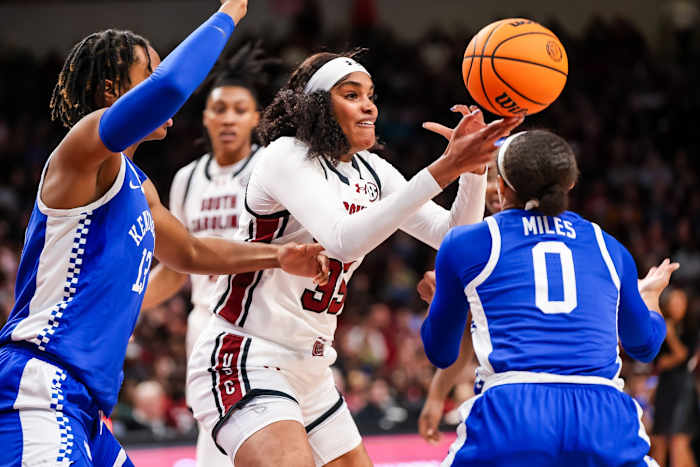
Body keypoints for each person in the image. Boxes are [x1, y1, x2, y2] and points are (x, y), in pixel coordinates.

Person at [0, 2, 330, 465]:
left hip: (87, 409)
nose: (161, 78)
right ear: (114, 90)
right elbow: (172, 86)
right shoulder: (84, 147)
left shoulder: (139, 186)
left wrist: (277, 257)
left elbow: (191, 252)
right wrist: (229, 14)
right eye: (148, 70)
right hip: (40, 386)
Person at [186, 50, 523, 467]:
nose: (368, 105)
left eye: (371, 95)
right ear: (319, 106)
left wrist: (473, 168)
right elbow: (343, 240)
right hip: (248, 355)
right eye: (352, 94)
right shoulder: (284, 155)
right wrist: (444, 167)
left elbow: (453, 236)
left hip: (312, 372)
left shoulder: (373, 172)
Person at [421, 129, 678, 466]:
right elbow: (645, 346)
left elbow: (440, 352)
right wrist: (650, 299)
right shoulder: (611, 248)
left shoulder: (465, 244)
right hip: (603, 415)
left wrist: (439, 303)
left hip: (514, 412)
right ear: (570, 185)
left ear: (502, 186)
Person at [141, 41, 278, 467]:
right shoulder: (185, 179)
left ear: (256, 118)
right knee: (214, 436)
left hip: (262, 319)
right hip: (205, 321)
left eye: (240, 109)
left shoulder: (270, 168)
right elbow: (175, 266)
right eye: (220, 109)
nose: (229, 118)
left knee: (269, 430)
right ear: (205, 117)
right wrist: (128, 306)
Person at [416, 158, 501, 444]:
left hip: (511, 400)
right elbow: (466, 331)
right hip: (588, 398)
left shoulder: (475, 247)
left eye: (501, 177)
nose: (495, 188)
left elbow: (441, 349)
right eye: (488, 177)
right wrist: (437, 395)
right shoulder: (591, 239)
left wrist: (440, 301)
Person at [650, 288, 698, 467]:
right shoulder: (659, 326)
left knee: (679, 443)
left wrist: (671, 338)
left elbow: (683, 355)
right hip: (664, 387)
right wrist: (673, 357)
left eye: (682, 301)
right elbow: (659, 362)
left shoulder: (690, 329)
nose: (679, 306)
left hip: (683, 389)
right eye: (675, 302)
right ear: (667, 304)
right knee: (659, 440)